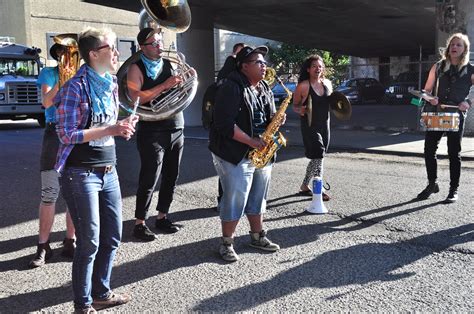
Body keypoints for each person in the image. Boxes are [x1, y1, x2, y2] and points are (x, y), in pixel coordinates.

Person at [55, 27, 137, 313]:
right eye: (111, 48)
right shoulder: (74, 88)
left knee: (112, 236)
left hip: (108, 170)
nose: (117, 53)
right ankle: (82, 304)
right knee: (89, 242)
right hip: (80, 173)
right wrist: (111, 128)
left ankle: (101, 292)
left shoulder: (111, 83)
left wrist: (123, 126)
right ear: (93, 54)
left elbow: (108, 126)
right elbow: (66, 134)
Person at [209, 45, 281, 262]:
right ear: (244, 66)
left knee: (259, 196)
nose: (264, 66)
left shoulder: (264, 88)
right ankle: (226, 242)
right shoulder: (231, 87)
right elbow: (223, 123)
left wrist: (276, 120)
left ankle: (257, 236)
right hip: (235, 152)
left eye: (264, 62)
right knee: (235, 198)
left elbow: (267, 118)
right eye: (258, 62)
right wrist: (251, 141)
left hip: (261, 151)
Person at [127, 27, 187, 241]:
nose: (159, 46)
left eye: (160, 41)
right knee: (149, 176)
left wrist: (181, 84)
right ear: (143, 47)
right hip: (151, 129)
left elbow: (180, 92)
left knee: (172, 175)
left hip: (175, 125)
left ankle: (162, 216)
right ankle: (140, 223)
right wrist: (164, 85)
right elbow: (136, 98)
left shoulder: (170, 64)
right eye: (154, 43)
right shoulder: (136, 68)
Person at [28, 43, 76, 268]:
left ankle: (70, 240)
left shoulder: (83, 73)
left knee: (75, 192)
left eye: (72, 52)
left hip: (76, 133)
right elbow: (46, 102)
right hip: (54, 132)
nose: (67, 55)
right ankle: (43, 246)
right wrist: (64, 79)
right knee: (49, 193)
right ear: (57, 54)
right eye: (63, 52)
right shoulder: (48, 73)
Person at [416, 33, 473, 203]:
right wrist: (430, 98)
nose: (454, 47)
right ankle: (432, 184)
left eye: (459, 45)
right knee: (429, 150)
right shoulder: (438, 66)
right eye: (452, 44)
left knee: (454, 153)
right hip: (437, 113)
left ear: (464, 49)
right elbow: (425, 90)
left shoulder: (470, 69)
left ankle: (453, 189)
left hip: (456, 115)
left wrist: (468, 101)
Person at [293, 55, 332, 202]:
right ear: (308, 69)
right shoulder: (303, 86)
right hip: (309, 125)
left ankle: (304, 185)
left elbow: (333, 102)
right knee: (319, 155)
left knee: (317, 157)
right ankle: (319, 188)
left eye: (320, 66)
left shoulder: (327, 83)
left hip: (325, 125)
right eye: (314, 66)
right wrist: (300, 110)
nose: (318, 68)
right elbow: (295, 106)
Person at [215, 42, 245, 209]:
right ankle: (224, 201)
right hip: (228, 124)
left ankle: (233, 201)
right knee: (227, 166)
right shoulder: (230, 65)